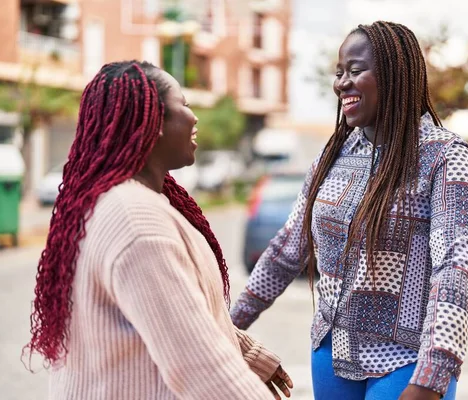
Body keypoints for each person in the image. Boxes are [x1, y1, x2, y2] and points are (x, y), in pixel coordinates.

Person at [231, 21, 468, 400]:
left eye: (355, 70)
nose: (341, 83)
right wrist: (228, 329)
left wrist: (431, 376)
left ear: (395, 75)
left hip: (407, 362)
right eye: (339, 73)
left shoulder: (445, 157)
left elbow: (453, 273)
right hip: (331, 358)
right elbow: (287, 249)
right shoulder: (335, 153)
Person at [23, 60, 293, 400]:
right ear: (154, 121)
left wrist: (249, 355)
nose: (194, 117)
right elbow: (198, 364)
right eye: (184, 105)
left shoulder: (132, 203)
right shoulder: (135, 220)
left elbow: (174, 313)